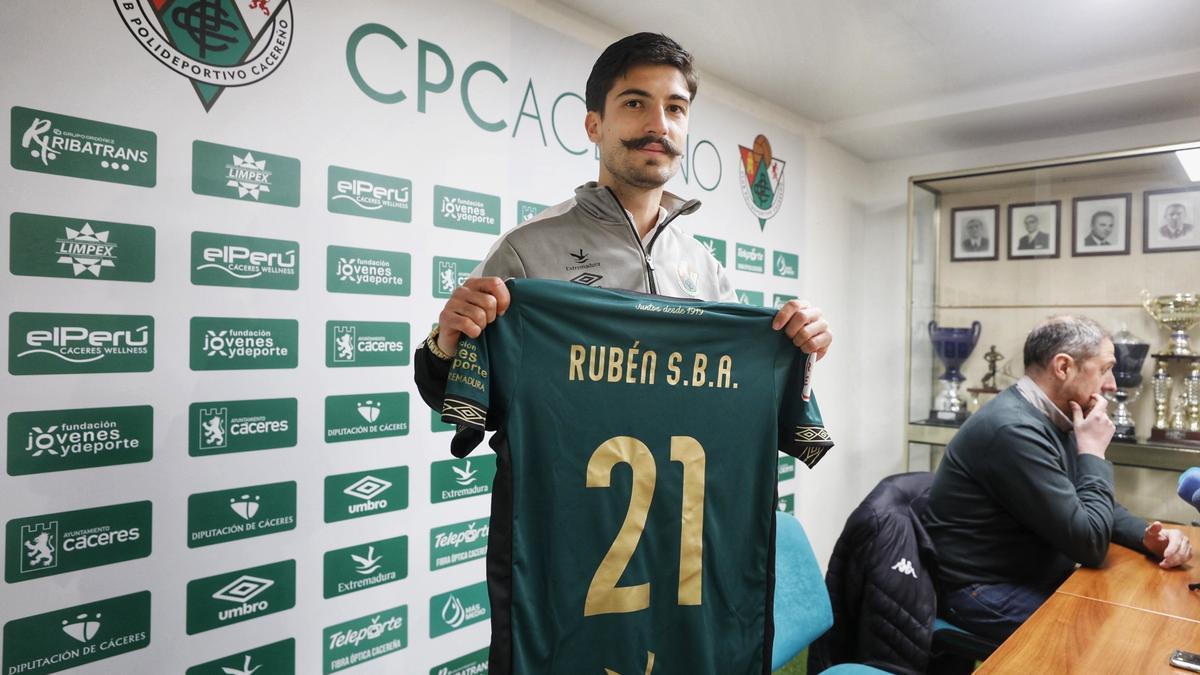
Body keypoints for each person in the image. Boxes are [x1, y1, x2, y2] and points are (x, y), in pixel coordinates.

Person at [414, 32, 832, 403]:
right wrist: (446, 344)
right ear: (593, 125)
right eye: (635, 103)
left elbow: (744, 391)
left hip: (679, 491)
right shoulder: (525, 250)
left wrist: (798, 348)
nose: (659, 125)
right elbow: (456, 394)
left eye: (675, 109)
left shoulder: (706, 268)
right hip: (560, 491)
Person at [922, 315, 1192, 642]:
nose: (1113, 385)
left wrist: (1146, 536)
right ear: (1063, 367)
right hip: (981, 591)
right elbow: (1089, 543)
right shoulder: (1014, 430)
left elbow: (1084, 500)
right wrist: (1092, 452)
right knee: (1108, 640)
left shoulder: (1052, 413)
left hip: (1029, 576)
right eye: (1105, 369)